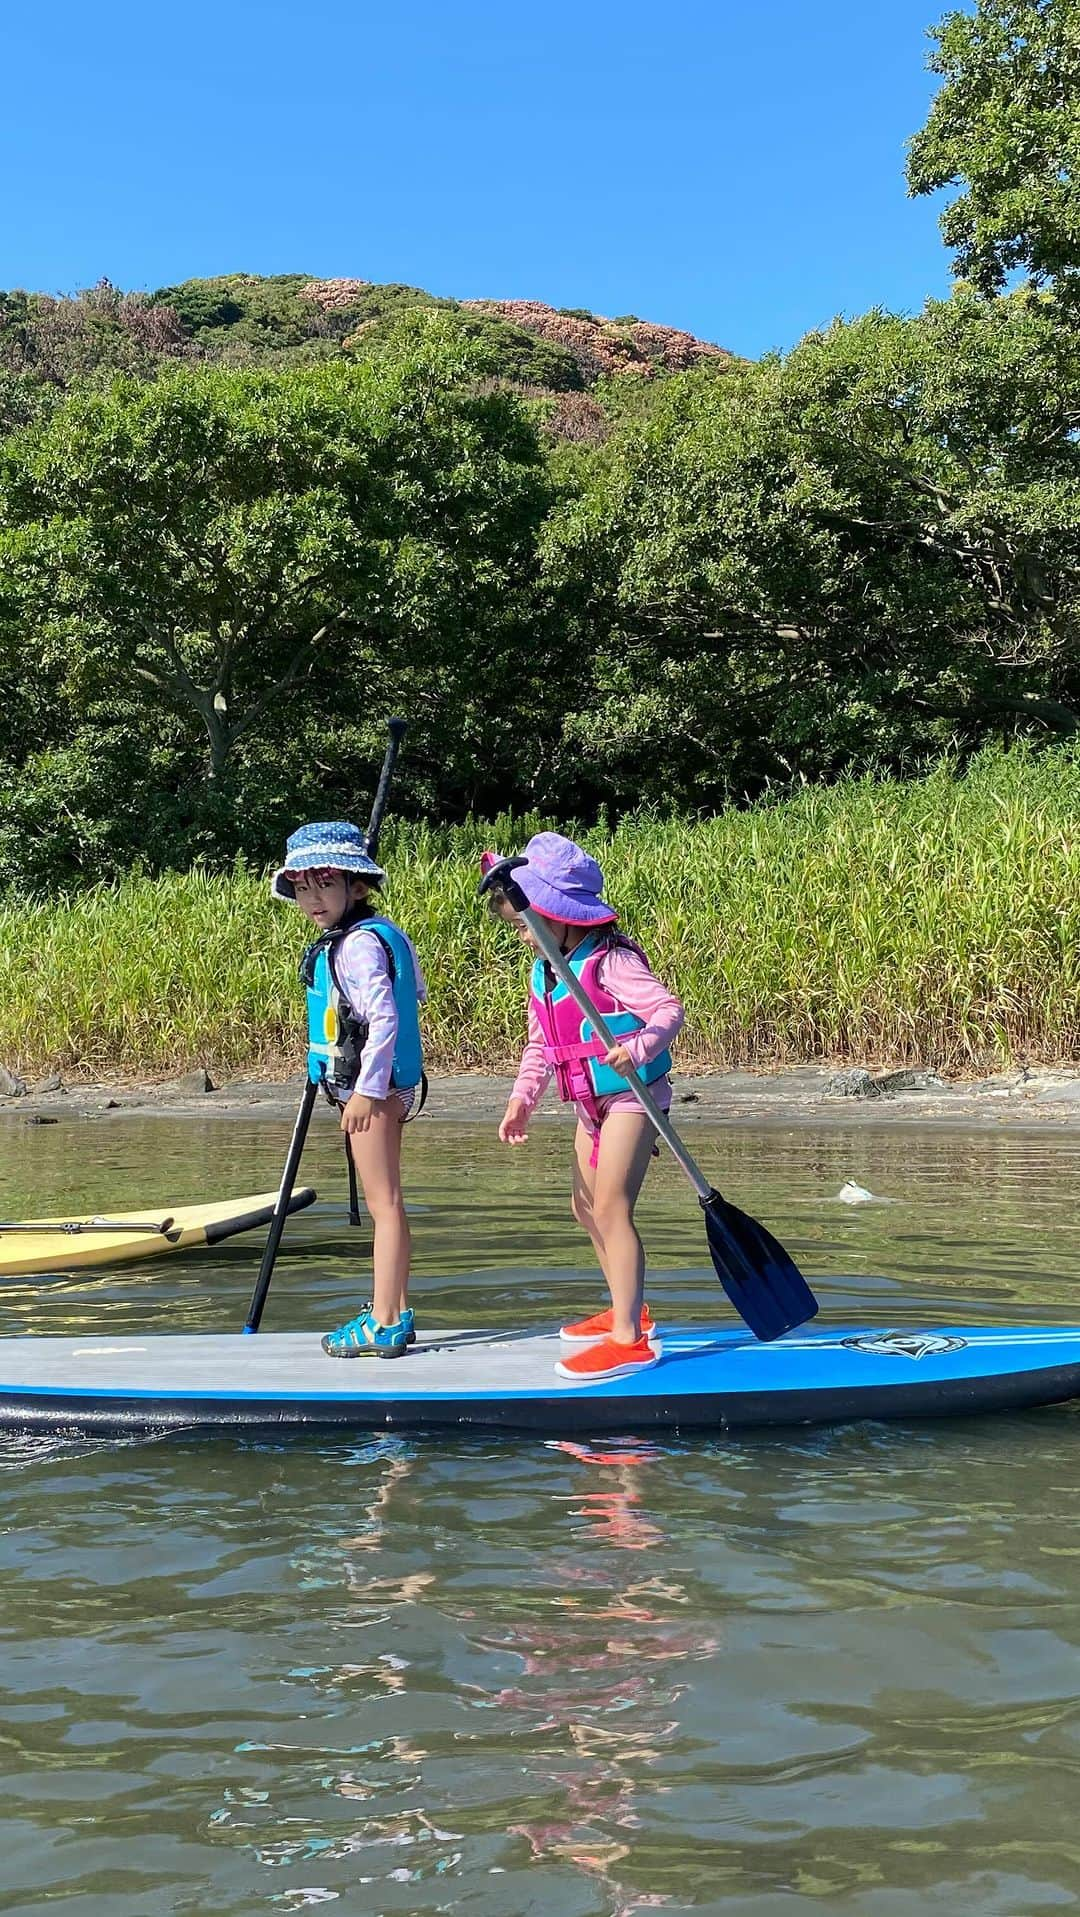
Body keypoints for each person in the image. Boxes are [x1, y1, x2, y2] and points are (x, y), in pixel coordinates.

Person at [484, 832, 683, 1384]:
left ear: (560, 914)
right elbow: (540, 1046)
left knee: (613, 1208)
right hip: (587, 1105)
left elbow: (667, 1011)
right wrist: (522, 1098)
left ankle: (630, 1339)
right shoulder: (545, 972)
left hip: (630, 1099)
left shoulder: (610, 962)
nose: (522, 935)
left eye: (526, 923)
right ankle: (629, 1308)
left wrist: (637, 1048)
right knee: (584, 1207)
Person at [271, 820, 426, 1358]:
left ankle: (384, 1321)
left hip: (375, 1091)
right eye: (302, 887)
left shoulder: (358, 947)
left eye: (325, 884)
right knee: (391, 1203)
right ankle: (395, 1307)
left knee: (385, 1206)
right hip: (380, 1087)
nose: (312, 898)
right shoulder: (371, 935)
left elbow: (384, 1018)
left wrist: (364, 1090)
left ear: (355, 887)